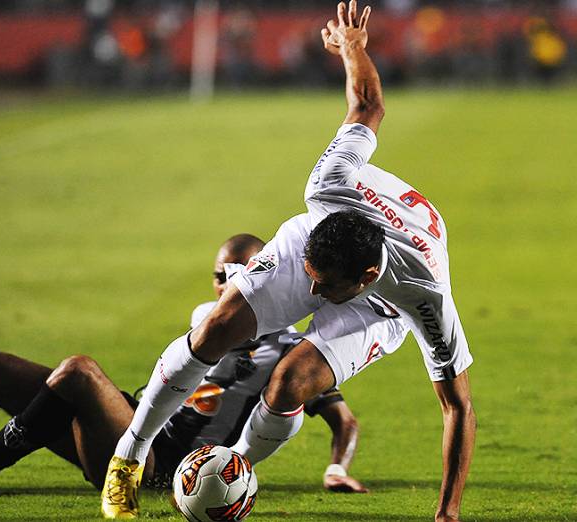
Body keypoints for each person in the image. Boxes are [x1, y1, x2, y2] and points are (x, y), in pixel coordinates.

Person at [103, 3, 476, 521]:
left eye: (323, 290)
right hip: (321, 239)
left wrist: (447, 514)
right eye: (311, 282)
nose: (312, 297)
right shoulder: (326, 186)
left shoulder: (423, 292)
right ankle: (128, 460)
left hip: (380, 310)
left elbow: (457, 406)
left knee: (290, 382)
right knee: (215, 330)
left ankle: (233, 470)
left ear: (366, 277)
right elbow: (367, 105)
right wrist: (353, 48)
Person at [0, 234, 390, 496]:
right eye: (219, 273)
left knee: (79, 372)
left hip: (161, 466)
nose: (227, 282)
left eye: (240, 271)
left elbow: (343, 421)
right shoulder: (204, 323)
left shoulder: (292, 352)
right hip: (124, 425)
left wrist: (335, 469)